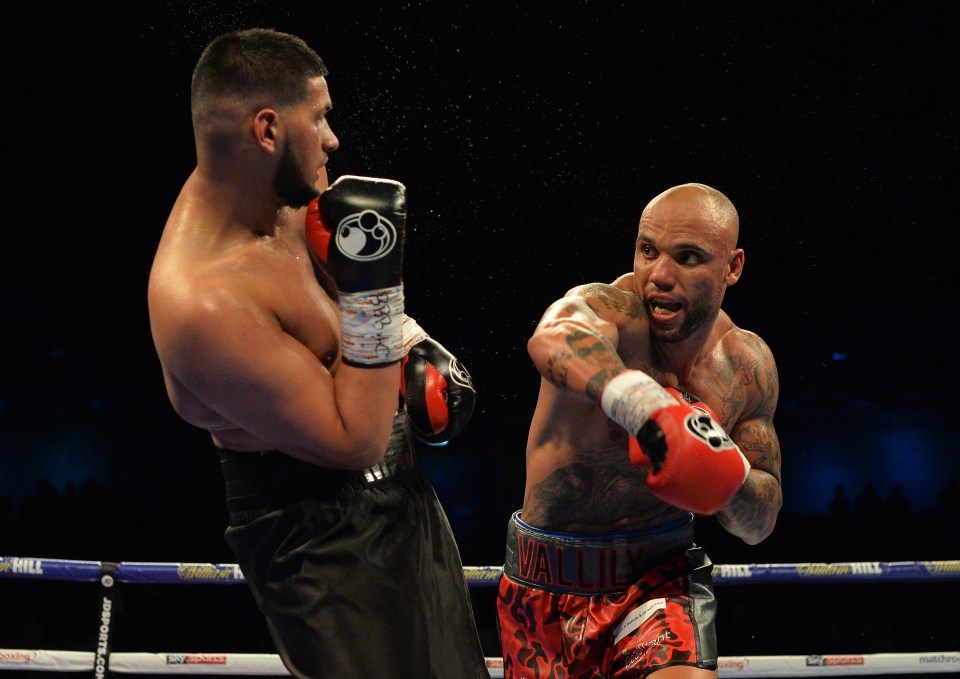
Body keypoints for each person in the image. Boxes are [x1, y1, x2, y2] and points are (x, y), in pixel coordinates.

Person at [147, 28, 488, 678]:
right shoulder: (203, 301)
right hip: (318, 541)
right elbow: (356, 435)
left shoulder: (284, 198)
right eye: (320, 116)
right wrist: (384, 283)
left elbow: (343, 317)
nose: (333, 138)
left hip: (407, 498)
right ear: (268, 128)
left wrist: (412, 341)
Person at [496, 183, 783, 678]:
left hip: (661, 576)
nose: (659, 276)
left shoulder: (744, 365)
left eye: (688, 257)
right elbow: (553, 337)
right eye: (648, 250)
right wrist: (643, 406)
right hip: (545, 582)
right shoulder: (612, 312)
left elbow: (761, 522)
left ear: (732, 267)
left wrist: (727, 479)